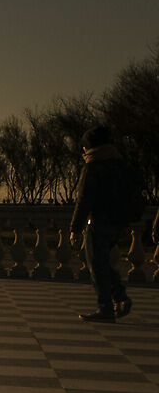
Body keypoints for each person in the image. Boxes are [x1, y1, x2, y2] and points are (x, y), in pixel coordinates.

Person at [72, 124, 147, 322]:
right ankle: (119, 298)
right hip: (118, 223)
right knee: (103, 263)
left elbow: (84, 200)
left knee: (97, 265)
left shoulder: (93, 166)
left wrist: (75, 228)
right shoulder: (121, 166)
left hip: (98, 223)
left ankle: (106, 307)